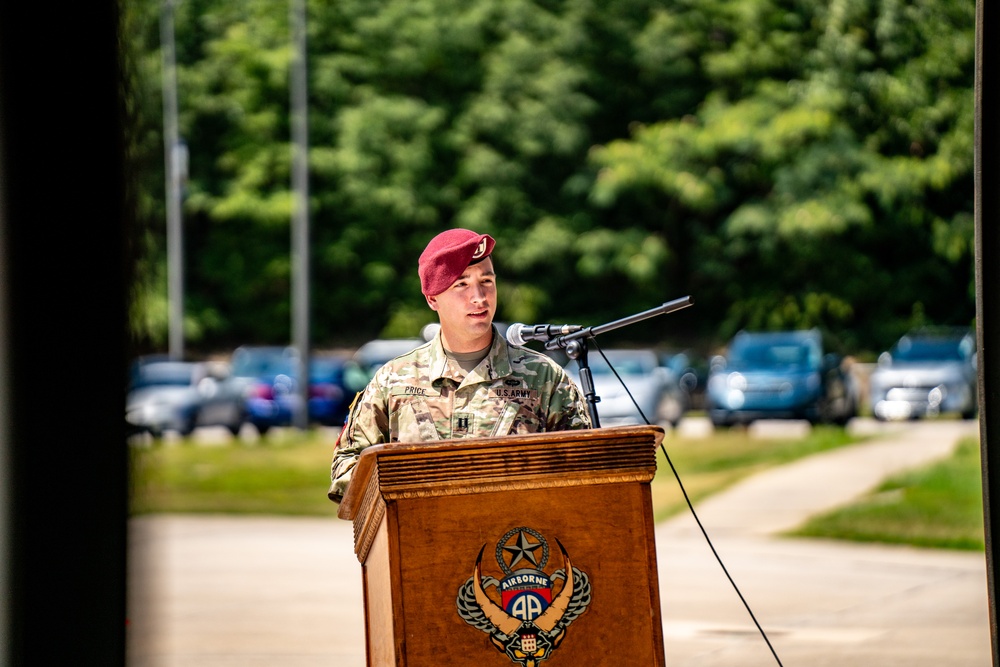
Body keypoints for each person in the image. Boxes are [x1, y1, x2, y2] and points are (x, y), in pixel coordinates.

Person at [328, 228, 592, 503]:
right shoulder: (393, 380)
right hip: (418, 537)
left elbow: (584, 469)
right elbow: (346, 469)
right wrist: (405, 485)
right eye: (461, 285)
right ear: (432, 298)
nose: (479, 297)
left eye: (487, 281)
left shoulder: (544, 378)